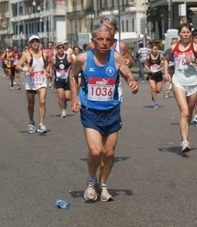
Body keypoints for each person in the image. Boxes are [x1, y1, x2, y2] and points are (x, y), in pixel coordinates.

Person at [69, 24, 138, 202]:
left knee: (108, 153)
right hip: (90, 111)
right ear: (93, 41)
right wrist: (75, 98)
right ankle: (91, 182)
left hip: (112, 111)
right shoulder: (83, 58)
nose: (105, 43)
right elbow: (72, 75)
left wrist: (132, 82)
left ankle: (103, 184)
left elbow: (128, 74)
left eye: (108, 40)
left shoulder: (116, 58)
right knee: (95, 150)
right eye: (100, 39)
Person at [163, 23, 197, 152]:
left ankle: (185, 136)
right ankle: (184, 141)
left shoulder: (196, 47)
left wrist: (193, 60)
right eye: (183, 32)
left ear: (191, 34)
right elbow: (166, 59)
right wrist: (166, 73)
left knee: (189, 112)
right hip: (178, 82)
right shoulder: (173, 47)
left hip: (193, 83)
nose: (186, 35)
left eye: (188, 32)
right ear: (179, 34)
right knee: (185, 112)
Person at [15, 35, 49, 134]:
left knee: (42, 102)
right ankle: (31, 122)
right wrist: (26, 69)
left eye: (37, 41)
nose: (35, 43)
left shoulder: (44, 54)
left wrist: (47, 72)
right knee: (31, 104)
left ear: (39, 43)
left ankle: (41, 124)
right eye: (33, 41)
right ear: (30, 44)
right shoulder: (27, 55)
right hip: (30, 82)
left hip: (41, 81)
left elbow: (47, 65)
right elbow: (17, 66)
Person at [52, 42, 73, 118]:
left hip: (67, 79)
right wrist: (48, 73)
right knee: (60, 95)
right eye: (59, 48)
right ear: (57, 49)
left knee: (67, 97)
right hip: (58, 79)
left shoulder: (68, 57)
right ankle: (63, 110)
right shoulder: (54, 58)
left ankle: (63, 103)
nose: (61, 49)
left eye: (62, 48)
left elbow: (74, 65)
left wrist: (73, 73)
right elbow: (50, 67)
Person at [144, 42, 163, 109]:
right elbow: (145, 64)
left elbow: (165, 63)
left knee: (158, 90)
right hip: (151, 74)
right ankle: (156, 103)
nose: (155, 50)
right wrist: (148, 69)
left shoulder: (160, 56)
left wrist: (162, 68)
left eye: (156, 49)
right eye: (154, 49)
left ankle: (153, 94)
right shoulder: (148, 57)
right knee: (153, 88)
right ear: (151, 49)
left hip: (158, 74)